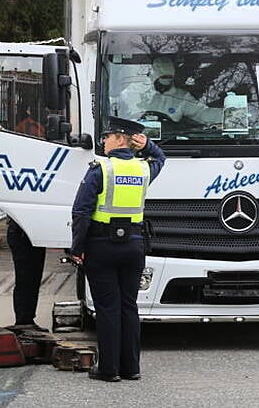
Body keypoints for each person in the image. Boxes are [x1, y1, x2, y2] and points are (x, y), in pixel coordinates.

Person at [70, 116, 166, 382]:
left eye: (108, 136)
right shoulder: (144, 169)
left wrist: (76, 248)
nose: (103, 140)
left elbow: (81, 212)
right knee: (128, 306)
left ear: (121, 139)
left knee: (107, 307)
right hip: (134, 246)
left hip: (102, 246)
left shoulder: (101, 168)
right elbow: (161, 158)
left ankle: (108, 369)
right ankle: (131, 368)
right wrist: (147, 146)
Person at [134, 57, 217, 124]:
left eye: (169, 77)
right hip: (139, 141)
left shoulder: (181, 97)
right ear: (153, 77)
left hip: (172, 140)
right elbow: (127, 117)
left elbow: (202, 113)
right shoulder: (136, 93)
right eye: (163, 77)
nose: (166, 81)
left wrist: (225, 115)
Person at [7, 218, 48, 332]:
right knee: (26, 280)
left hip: (31, 234)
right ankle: (23, 321)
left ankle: (27, 319)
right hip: (23, 234)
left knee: (33, 279)